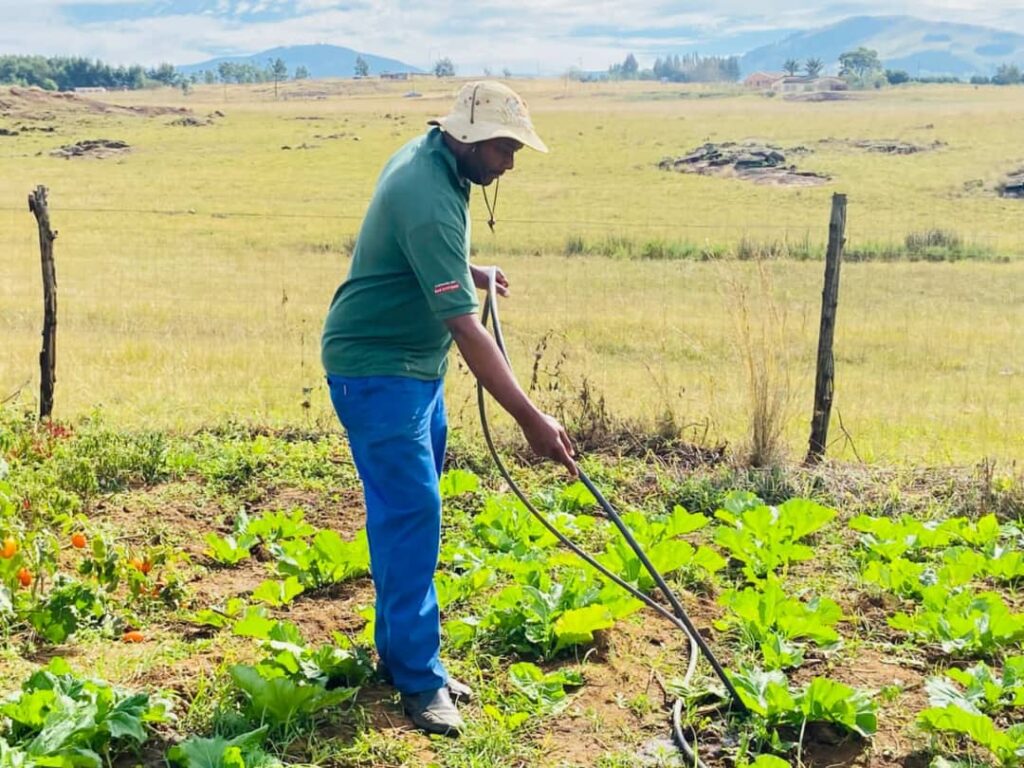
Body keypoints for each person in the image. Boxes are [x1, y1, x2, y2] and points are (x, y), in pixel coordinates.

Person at [320, 81, 577, 736]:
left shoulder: (436, 160)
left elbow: (422, 250)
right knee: (413, 513)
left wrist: (468, 268)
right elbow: (466, 330)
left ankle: (401, 654)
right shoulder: (428, 191)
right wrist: (531, 419)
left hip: (412, 369)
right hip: (378, 372)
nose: (509, 163)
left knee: (408, 514)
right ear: (464, 135)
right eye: (502, 148)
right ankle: (417, 677)